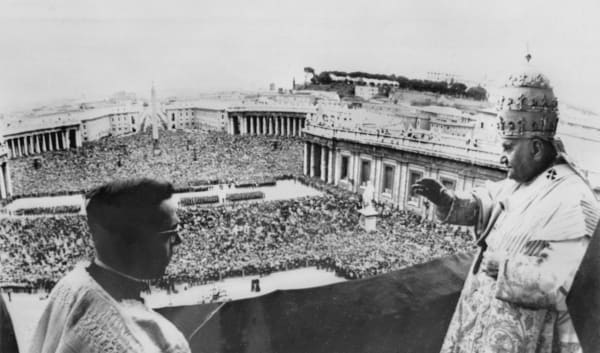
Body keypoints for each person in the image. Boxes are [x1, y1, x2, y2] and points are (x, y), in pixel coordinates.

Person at [413, 61, 600, 353]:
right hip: (479, 328)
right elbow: (485, 205)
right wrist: (449, 203)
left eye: (508, 147)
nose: (502, 157)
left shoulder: (576, 199)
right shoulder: (521, 180)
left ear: (537, 148)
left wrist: (504, 267)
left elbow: (566, 280)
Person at [29, 178, 191, 353]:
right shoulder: (166, 343)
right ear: (138, 242)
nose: (179, 240)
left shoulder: (68, 287)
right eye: (172, 231)